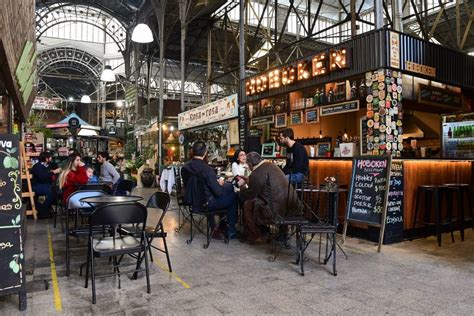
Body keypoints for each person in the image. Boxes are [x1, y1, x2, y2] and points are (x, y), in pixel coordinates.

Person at [181, 141, 240, 239]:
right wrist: (219, 183)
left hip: (193, 202)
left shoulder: (185, 168)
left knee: (223, 196)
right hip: (207, 203)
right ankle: (231, 231)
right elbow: (218, 192)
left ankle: (217, 227)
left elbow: (194, 185)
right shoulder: (207, 169)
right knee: (233, 198)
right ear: (205, 153)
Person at [239, 152, 301, 243]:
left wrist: (240, 190)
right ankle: (276, 233)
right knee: (258, 201)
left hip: (276, 209)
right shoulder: (271, 165)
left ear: (250, 164)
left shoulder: (256, 174)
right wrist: (250, 180)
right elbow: (266, 183)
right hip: (293, 205)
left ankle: (255, 234)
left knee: (248, 204)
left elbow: (250, 194)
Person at [31, 151, 62, 218]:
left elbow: (48, 171)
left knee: (55, 190)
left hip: (45, 185)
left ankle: (44, 209)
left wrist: (52, 171)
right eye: (50, 157)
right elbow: (42, 177)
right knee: (51, 192)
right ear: (46, 158)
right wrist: (53, 172)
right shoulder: (37, 166)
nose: (51, 158)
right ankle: (42, 210)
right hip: (37, 185)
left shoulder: (47, 165)